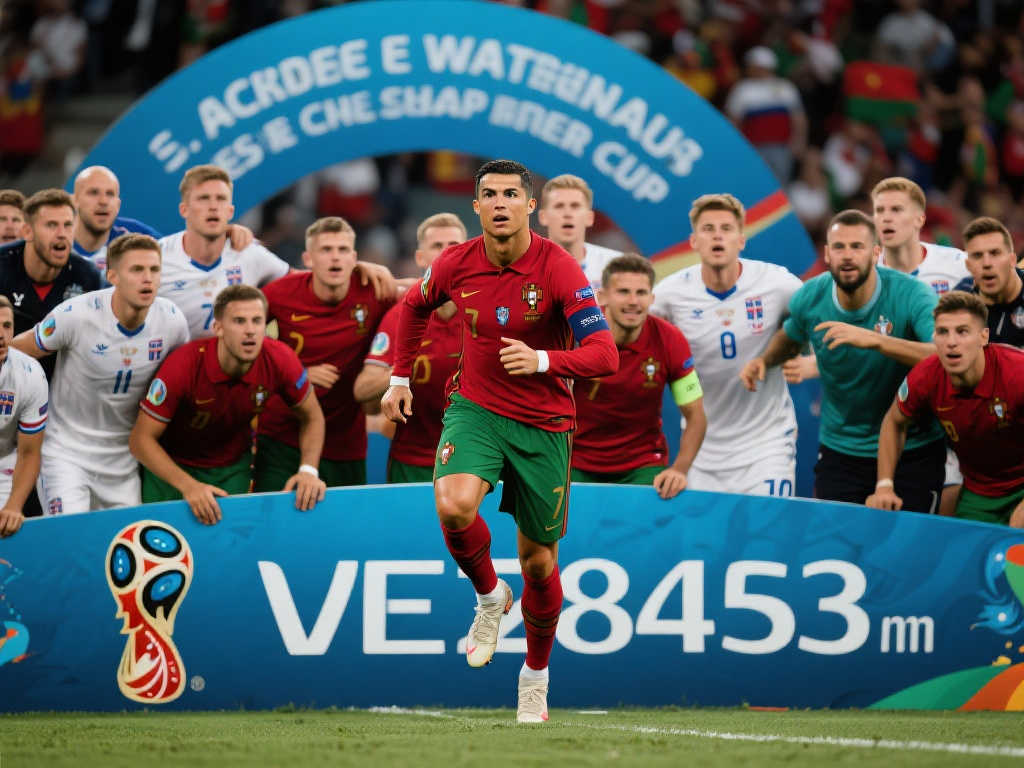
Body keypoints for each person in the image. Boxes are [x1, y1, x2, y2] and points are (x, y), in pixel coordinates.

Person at [381, 159, 617, 724]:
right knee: (453, 505)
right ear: (477, 206)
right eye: (490, 194)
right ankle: (489, 596)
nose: (501, 203)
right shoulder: (455, 262)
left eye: (512, 194)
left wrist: (544, 361)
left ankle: (534, 675)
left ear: (529, 206)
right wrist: (397, 377)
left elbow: (605, 355)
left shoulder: (559, 268)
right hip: (477, 409)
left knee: (538, 565)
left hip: (544, 423)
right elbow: (413, 306)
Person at [740, 210, 945, 512]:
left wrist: (877, 340)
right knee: (835, 541)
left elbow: (944, 355)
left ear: (876, 253)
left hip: (913, 448)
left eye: (857, 247)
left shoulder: (913, 295)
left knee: (910, 542)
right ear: (827, 254)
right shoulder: (811, 297)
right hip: (842, 451)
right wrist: (764, 360)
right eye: (839, 247)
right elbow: (792, 334)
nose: (847, 256)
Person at [12, 234, 189, 515]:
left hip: (123, 461)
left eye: (154, 270)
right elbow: (16, 351)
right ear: (112, 275)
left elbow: (180, 383)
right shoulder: (76, 315)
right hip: (65, 455)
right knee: (71, 536)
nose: (147, 279)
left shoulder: (172, 321)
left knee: (120, 540)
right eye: (137, 269)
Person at [130, 285, 326, 524]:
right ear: (218, 328)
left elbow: (313, 417)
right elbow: (140, 440)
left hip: (231, 468)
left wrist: (308, 471)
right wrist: (189, 486)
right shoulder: (183, 365)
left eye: (257, 321)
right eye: (239, 321)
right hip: (171, 469)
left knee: (229, 543)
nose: (250, 330)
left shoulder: (280, 359)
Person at [651, 194, 803, 496]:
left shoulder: (777, 283)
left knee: (767, 523)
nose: (717, 236)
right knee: (709, 530)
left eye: (726, 228)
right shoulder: (669, 294)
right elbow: (630, 333)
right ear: (694, 242)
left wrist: (811, 361)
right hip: (703, 450)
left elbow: (821, 314)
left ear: (741, 240)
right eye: (708, 229)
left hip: (768, 442)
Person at [158, 164, 396, 339]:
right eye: (203, 199)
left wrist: (351, 270)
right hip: (171, 379)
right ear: (184, 209)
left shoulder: (248, 253)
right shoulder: (157, 259)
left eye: (220, 199)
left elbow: (307, 284)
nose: (213, 206)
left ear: (230, 210)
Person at [254, 217, 392, 491]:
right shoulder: (279, 294)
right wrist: (297, 375)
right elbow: (243, 345)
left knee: (343, 519)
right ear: (308, 258)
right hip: (282, 438)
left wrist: (385, 272)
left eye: (343, 250)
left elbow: (422, 292)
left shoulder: (374, 290)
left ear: (354, 258)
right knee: (276, 517)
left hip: (345, 443)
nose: (335, 257)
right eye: (326, 250)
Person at [868, 291, 1024, 525]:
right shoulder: (926, 376)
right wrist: (884, 485)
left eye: (962, 332)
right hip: (980, 493)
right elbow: (894, 422)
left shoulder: (1017, 373)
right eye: (943, 332)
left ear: (983, 337)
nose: (951, 342)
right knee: (963, 546)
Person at [573, 254, 706, 499]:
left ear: (652, 298)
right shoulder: (575, 334)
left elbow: (695, 415)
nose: (633, 301)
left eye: (641, 293)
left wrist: (679, 470)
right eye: (623, 292)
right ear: (602, 297)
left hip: (643, 466)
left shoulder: (670, 339)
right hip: (574, 463)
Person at [355, 212, 467, 483]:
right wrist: (403, 368)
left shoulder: (486, 312)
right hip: (413, 461)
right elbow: (363, 390)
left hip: (473, 460)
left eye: (454, 246)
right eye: (437, 246)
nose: (445, 253)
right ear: (420, 258)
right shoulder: (401, 314)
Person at [70, 165, 254, 273]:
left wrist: (223, 232)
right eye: (93, 193)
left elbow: (180, 249)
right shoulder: (58, 240)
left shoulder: (134, 235)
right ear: (74, 200)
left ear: (118, 205)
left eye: (110, 194)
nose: (103, 201)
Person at [0, 188, 102, 343]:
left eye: (68, 225)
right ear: (27, 232)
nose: (62, 234)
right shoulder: (3, 266)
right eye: (52, 225)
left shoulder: (87, 276)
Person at [0, 296, 47, 537]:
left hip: (6, 464)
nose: (1, 335)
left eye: (7, 326)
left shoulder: (29, 373)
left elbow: (29, 452)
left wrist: (14, 506)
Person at [724, 46, 807, 183]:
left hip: (782, 148)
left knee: (781, 184)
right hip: (753, 149)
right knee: (755, 184)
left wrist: (799, 141)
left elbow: (798, 118)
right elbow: (733, 121)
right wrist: (735, 148)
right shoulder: (741, 89)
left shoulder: (785, 87)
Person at [873, 177, 967, 295]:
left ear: (919, 220)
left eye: (896, 210)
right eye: (880, 210)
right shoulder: (865, 273)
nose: (886, 218)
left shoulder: (957, 263)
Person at [536, 174, 621, 290]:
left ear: (590, 218)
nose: (567, 214)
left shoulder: (617, 267)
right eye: (559, 206)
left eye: (575, 206)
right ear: (543, 217)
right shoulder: (519, 267)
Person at [955, 217, 1024, 348]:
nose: (986, 263)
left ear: (1012, 260)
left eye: (995, 253)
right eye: (977, 256)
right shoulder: (959, 303)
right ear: (969, 265)